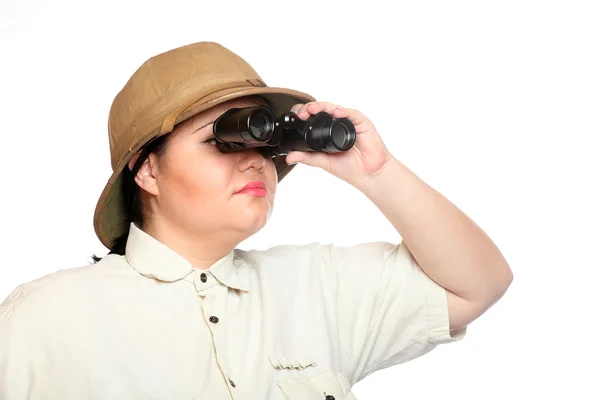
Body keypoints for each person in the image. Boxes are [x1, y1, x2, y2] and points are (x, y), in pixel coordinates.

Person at [0, 41, 513, 399]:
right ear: (149, 170)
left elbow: (478, 285)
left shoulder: (318, 288)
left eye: (265, 144)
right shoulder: (46, 319)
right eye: (224, 139)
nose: (255, 161)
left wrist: (377, 174)